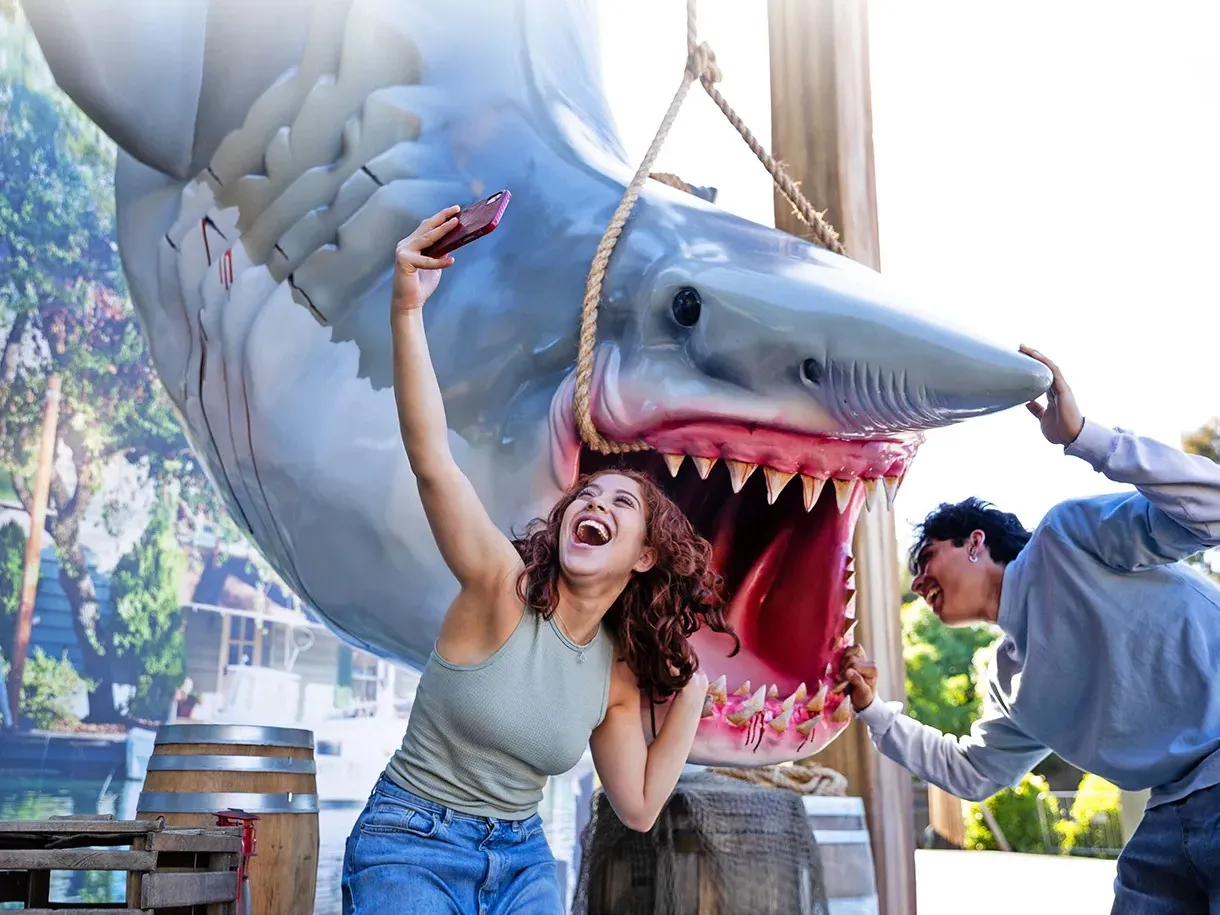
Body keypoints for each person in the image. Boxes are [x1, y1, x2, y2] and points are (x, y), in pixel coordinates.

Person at [341, 207, 738, 915]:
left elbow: (641, 805)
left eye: (623, 505)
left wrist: (697, 693)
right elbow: (433, 461)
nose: (598, 505)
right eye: (589, 494)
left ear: (645, 556)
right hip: (411, 841)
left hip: (522, 859)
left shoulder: (615, 672)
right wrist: (406, 307)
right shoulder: (500, 585)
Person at [842, 347, 1220, 915]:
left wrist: (1086, 437)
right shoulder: (1008, 681)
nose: (917, 583)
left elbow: (1210, 509)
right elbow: (971, 773)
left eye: (927, 558)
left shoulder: (1066, 540)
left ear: (975, 541)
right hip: (1170, 816)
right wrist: (874, 712)